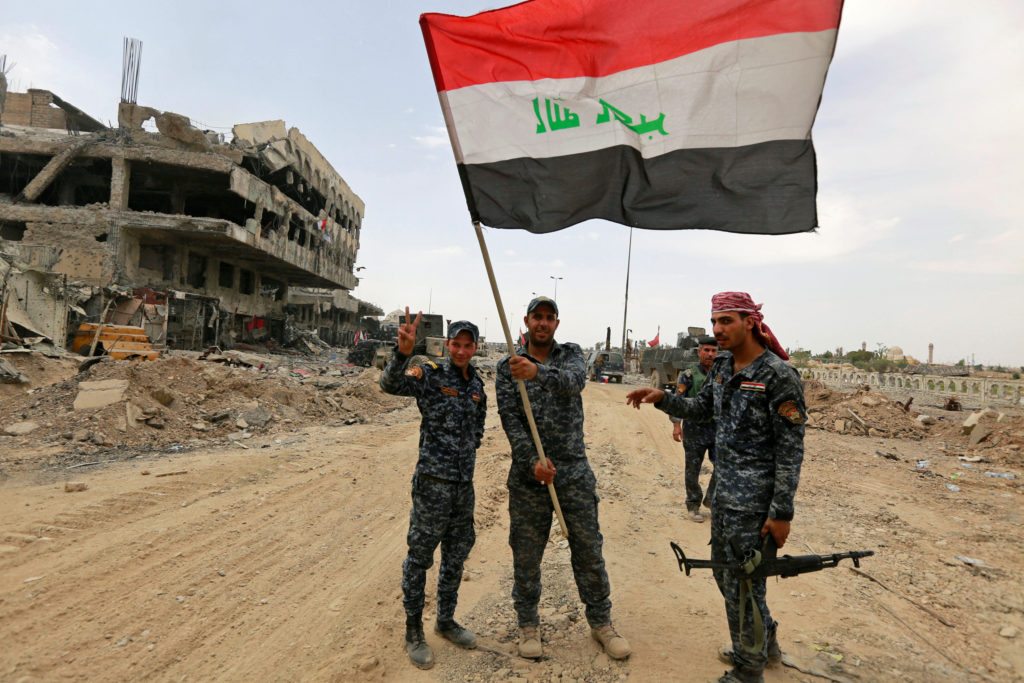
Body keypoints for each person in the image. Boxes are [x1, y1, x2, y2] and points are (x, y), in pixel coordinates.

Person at [626, 292, 805, 683]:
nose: (718, 330)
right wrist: (663, 398)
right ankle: (760, 641)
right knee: (728, 577)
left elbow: (790, 451)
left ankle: (747, 669)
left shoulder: (778, 376)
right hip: (723, 496)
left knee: (745, 583)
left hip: (755, 504)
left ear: (750, 322)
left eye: (726, 321)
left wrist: (782, 513)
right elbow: (701, 409)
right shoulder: (722, 365)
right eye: (715, 322)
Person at [496, 296, 631, 661]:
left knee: (588, 549)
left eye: (548, 318)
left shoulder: (570, 354)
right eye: (536, 317)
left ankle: (601, 623)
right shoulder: (505, 367)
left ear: (556, 323)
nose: (542, 323)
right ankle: (528, 625)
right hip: (530, 476)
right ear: (525, 321)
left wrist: (536, 372)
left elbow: (574, 383)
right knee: (526, 555)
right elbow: (511, 421)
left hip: (573, 471)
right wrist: (530, 461)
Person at [380, 309, 487, 670]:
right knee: (420, 557)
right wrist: (402, 353)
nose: (460, 350)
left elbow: (479, 428)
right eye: (455, 344)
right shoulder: (429, 373)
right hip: (432, 485)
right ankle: (413, 631)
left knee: (456, 554)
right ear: (448, 346)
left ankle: (446, 620)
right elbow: (391, 386)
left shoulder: (477, 386)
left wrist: (468, 452)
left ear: (475, 348)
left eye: (466, 345)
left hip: (462, 487)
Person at [670, 336, 719, 523]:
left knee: (723, 466)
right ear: (699, 352)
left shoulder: (723, 374)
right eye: (706, 350)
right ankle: (693, 505)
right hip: (694, 429)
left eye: (714, 351)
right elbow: (677, 401)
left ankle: (712, 500)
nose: (710, 354)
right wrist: (676, 425)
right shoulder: (688, 375)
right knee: (692, 469)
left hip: (717, 429)